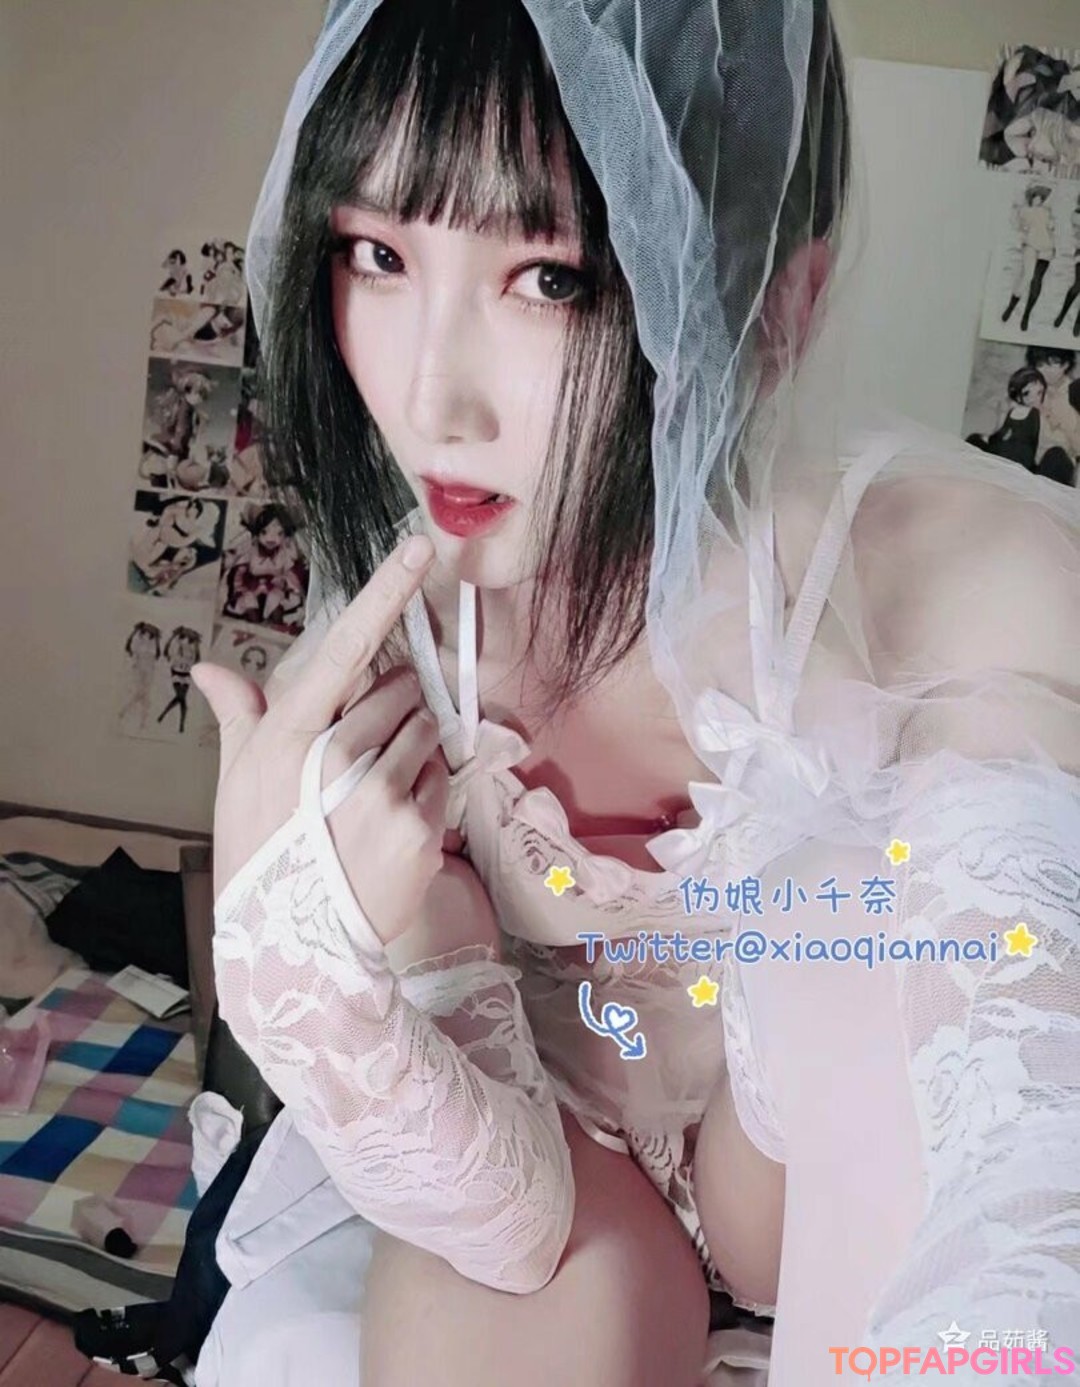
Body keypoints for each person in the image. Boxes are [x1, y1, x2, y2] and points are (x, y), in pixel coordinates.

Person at [191, 2, 1080, 1385]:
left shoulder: (954, 583)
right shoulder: (401, 622)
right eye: (378, 255)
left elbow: (1020, 1111)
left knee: (861, 917)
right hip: (556, 1175)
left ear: (777, 308)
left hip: (805, 1176)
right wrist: (308, 990)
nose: (433, 400)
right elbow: (506, 1214)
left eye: (548, 278)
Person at [966, 366, 1045, 470]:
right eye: (1027, 393)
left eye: (1039, 392)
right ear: (1017, 394)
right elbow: (999, 432)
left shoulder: (1033, 413)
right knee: (974, 439)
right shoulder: (1010, 410)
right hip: (1003, 451)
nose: (1034, 398)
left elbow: (1024, 439)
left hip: (1017, 457)